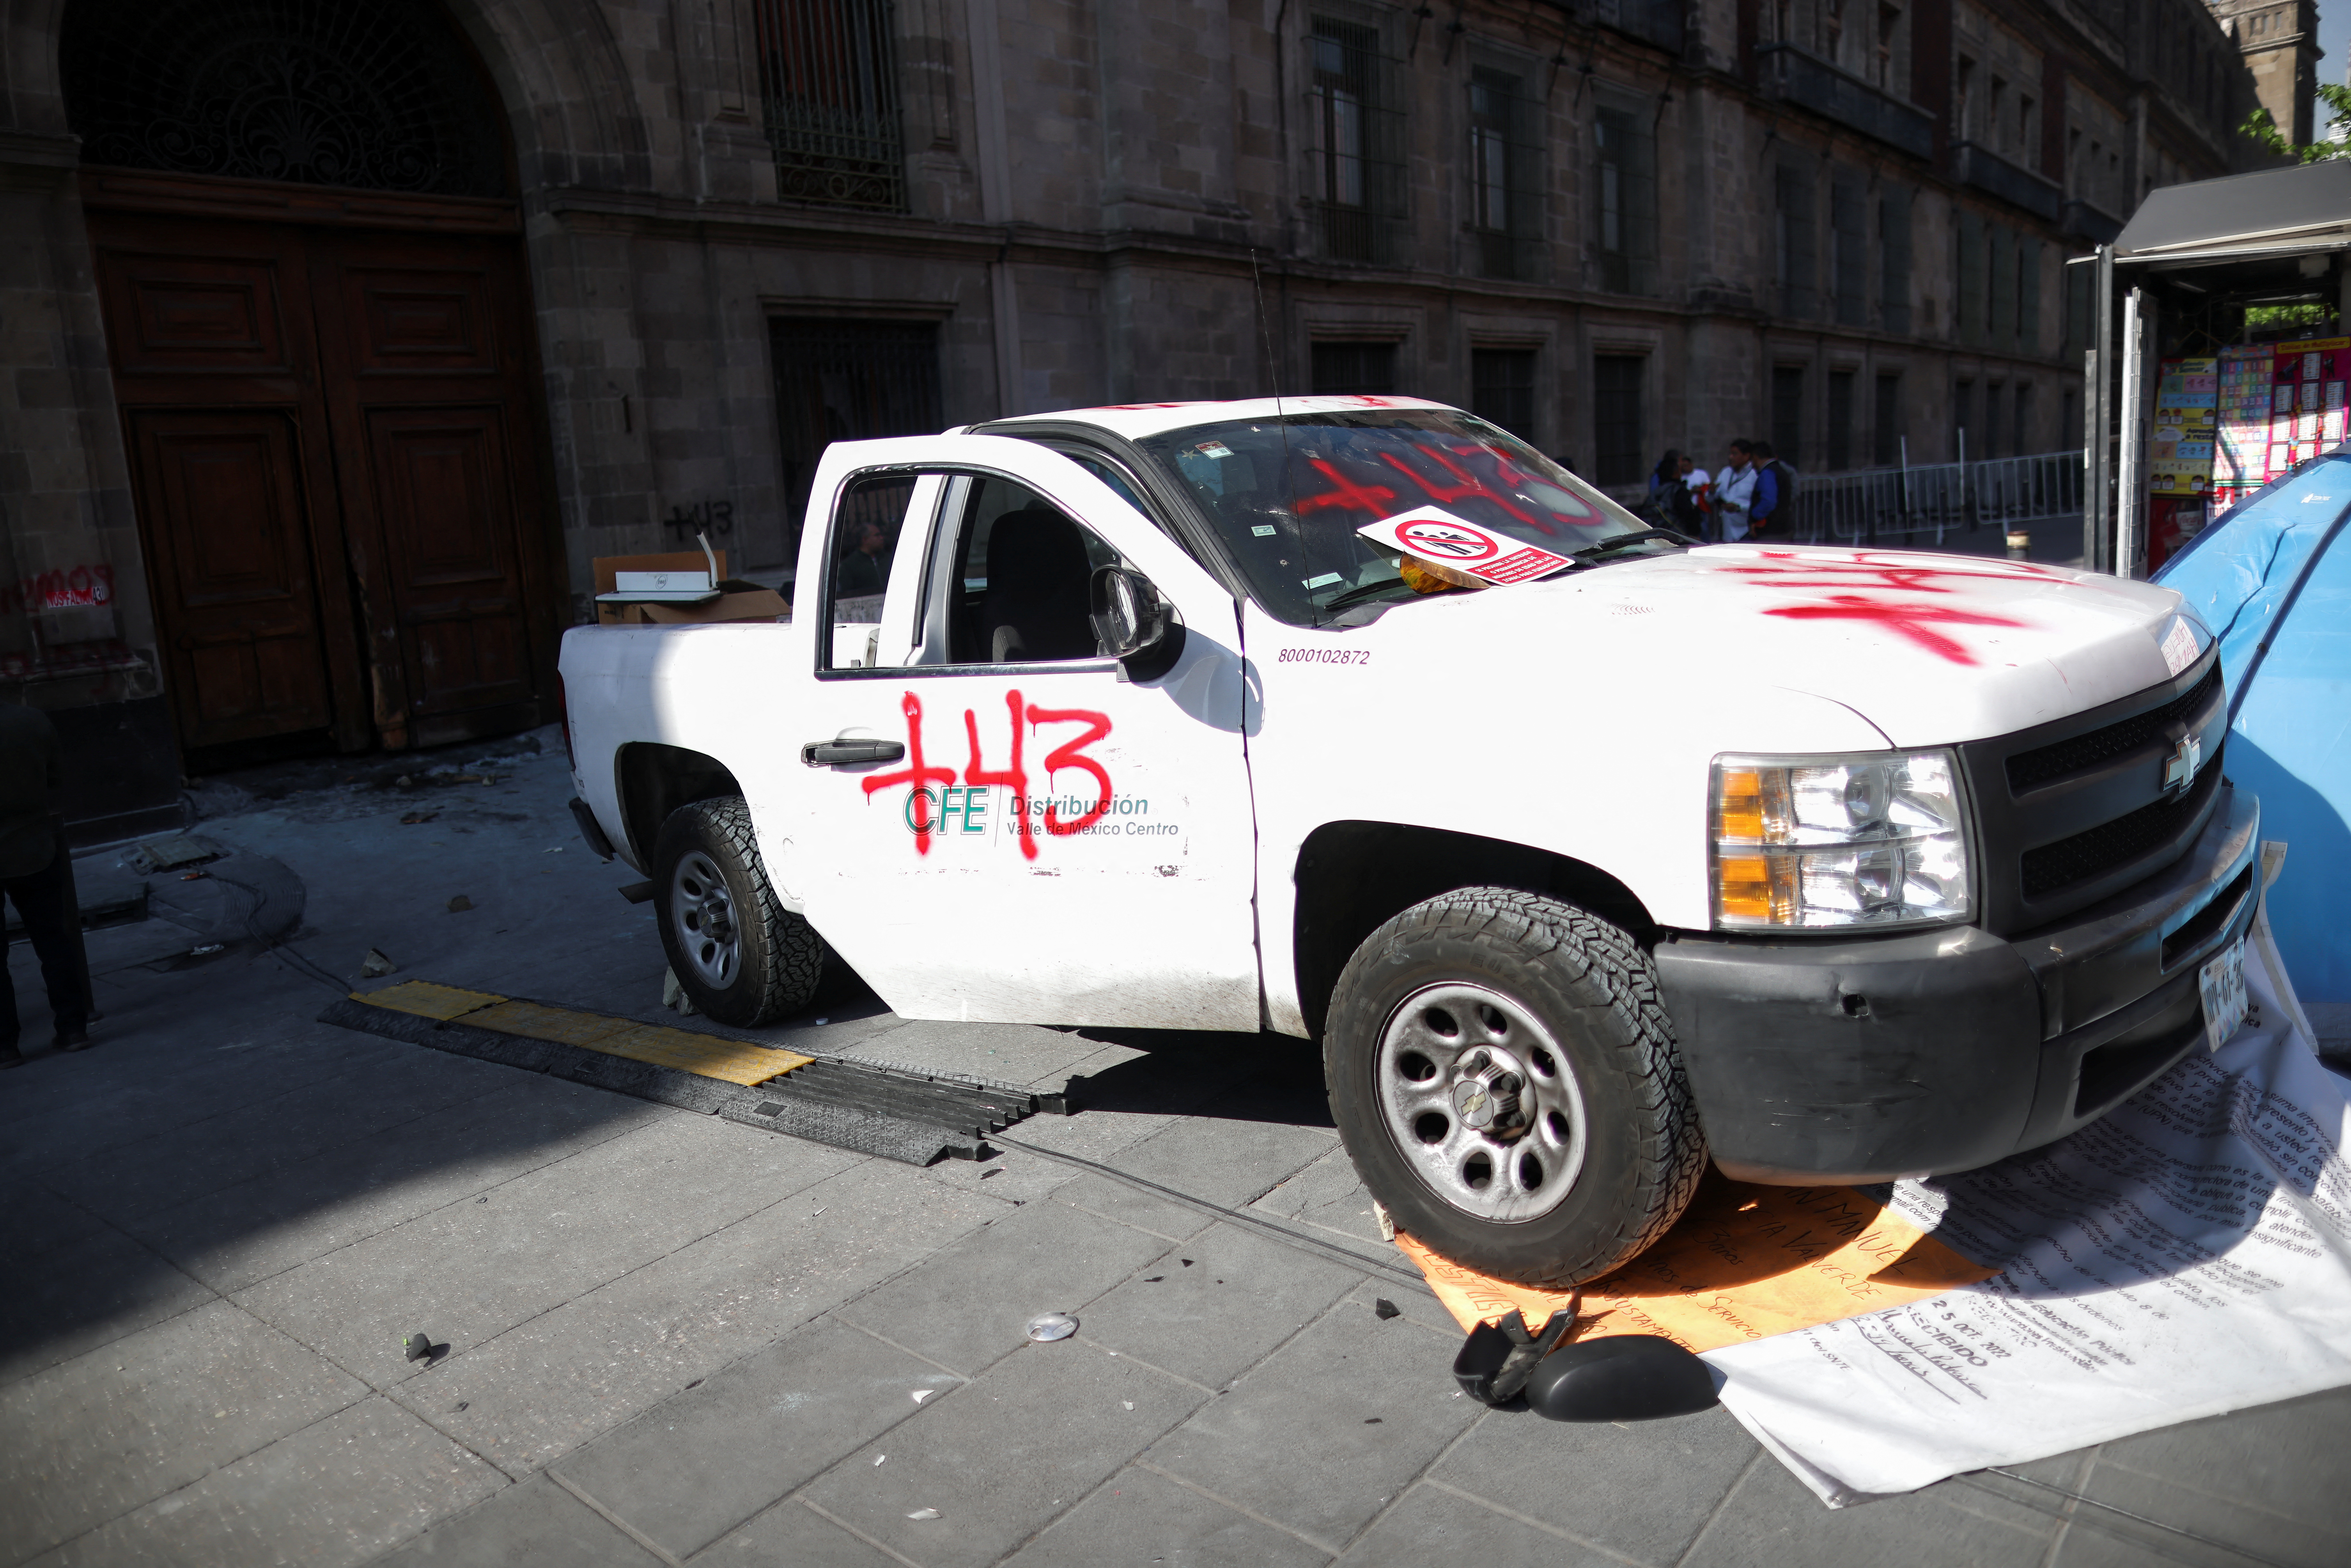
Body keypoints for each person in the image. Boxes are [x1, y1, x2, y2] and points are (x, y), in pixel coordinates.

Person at [0, 703, 91, 1066]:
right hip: (32, 845)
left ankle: (5, 1046)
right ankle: (73, 1028)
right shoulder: (31, 720)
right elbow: (55, 779)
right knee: (53, 939)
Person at [1714, 440, 1760, 542]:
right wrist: (1712, 492)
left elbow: (1758, 502)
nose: (1730, 457)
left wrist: (1739, 508)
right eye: (1730, 454)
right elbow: (1713, 497)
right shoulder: (1726, 472)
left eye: (1735, 454)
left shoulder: (1755, 475)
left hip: (1746, 529)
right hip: (1727, 530)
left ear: (1747, 456)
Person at [1747, 440, 1781, 536]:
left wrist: (1754, 516)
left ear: (1756, 457)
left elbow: (1769, 501)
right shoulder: (1780, 470)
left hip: (1771, 530)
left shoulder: (1768, 473)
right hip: (1782, 527)